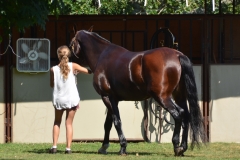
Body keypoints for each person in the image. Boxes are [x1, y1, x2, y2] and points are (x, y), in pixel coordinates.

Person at [49, 45, 92, 154]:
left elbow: (51, 85)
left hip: (59, 99)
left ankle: (54, 147)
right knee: (69, 124)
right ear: (69, 55)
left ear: (58, 56)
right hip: (71, 99)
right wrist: (77, 73)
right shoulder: (73, 66)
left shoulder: (53, 69)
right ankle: (68, 148)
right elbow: (88, 71)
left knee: (57, 122)